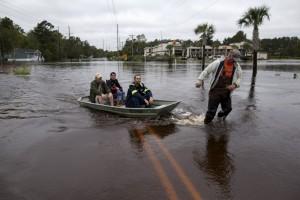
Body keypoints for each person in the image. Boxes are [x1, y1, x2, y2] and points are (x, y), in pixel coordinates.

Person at [195, 49, 242, 124]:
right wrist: (200, 80)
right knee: (211, 112)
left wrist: (235, 85)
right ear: (229, 55)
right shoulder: (218, 63)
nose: (234, 61)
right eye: (233, 59)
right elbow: (206, 71)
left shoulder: (236, 66)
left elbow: (239, 77)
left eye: (235, 60)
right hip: (215, 91)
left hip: (226, 92)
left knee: (228, 109)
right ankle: (206, 126)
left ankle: (219, 118)